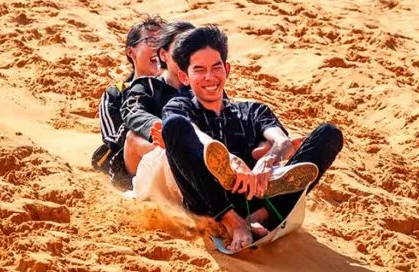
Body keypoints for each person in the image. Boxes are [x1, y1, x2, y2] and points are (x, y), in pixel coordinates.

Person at [160, 26, 343, 253]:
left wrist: (268, 160)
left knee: (329, 133)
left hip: (256, 196)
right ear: (184, 77)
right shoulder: (179, 106)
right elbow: (191, 131)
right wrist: (229, 159)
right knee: (175, 127)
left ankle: (260, 214)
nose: (210, 77)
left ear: (227, 69)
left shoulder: (252, 110)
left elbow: (281, 141)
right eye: (199, 70)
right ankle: (231, 220)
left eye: (216, 67)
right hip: (208, 201)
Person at [92, 15, 164, 189]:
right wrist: (155, 136)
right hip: (132, 168)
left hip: (172, 160)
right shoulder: (117, 93)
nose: (160, 47)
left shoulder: (178, 87)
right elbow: (112, 138)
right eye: (151, 40)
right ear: (131, 52)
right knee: (133, 137)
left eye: (164, 41)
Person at [120, 20, 196, 176]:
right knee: (133, 137)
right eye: (181, 47)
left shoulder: (202, 86)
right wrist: (162, 129)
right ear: (164, 54)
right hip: (153, 164)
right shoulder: (147, 86)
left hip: (198, 155)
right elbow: (131, 109)